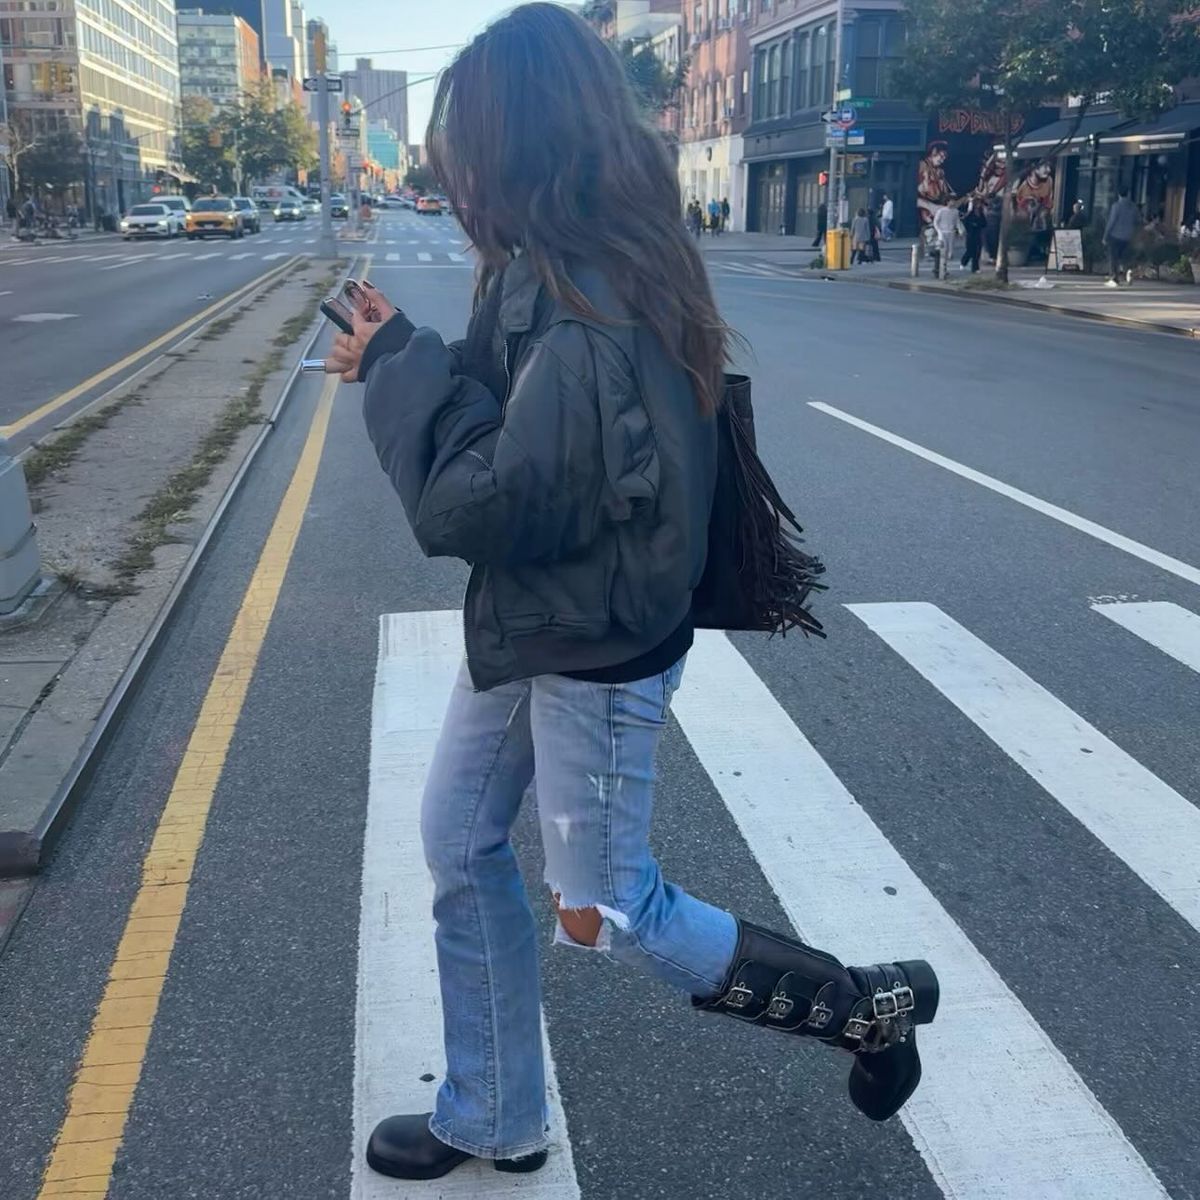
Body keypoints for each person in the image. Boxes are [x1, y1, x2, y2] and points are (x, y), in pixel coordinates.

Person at [323, 3, 938, 1182]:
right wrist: (412, 351)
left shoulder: (588, 299)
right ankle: (493, 1111)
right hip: (555, 612)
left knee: (610, 912)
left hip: (593, 639)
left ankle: (867, 1011)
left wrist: (398, 371)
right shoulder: (550, 269)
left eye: (465, 148)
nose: (453, 175)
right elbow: (519, 434)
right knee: (457, 838)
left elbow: (489, 504)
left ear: (514, 145)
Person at [1104, 186, 1138, 287]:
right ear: (1128, 194)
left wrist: (1105, 236)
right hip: (1128, 236)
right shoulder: (1133, 207)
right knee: (1124, 257)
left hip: (1116, 235)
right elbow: (1137, 220)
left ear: (1119, 194)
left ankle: (1115, 278)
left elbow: (1111, 222)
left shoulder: (1116, 206)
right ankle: (1128, 271)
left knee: (1114, 258)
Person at [932, 201, 961, 274]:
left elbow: (957, 221)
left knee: (949, 251)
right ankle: (940, 268)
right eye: (951, 201)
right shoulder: (941, 211)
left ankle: (944, 267)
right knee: (942, 250)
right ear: (947, 202)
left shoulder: (955, 211)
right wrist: (939, 231)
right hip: (942, 232)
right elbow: (936, 222)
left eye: (953, 201)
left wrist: (960, 230)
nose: (952, 203)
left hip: (951, 232)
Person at [960, 197, 986, 273]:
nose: (979, 205)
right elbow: (965, 222)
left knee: (977, 252)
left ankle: (975, 268)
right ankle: (963, 262)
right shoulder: (970, 213)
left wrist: (979, 224)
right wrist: (972, 225)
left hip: (978, 234)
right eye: (978, 203)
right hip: (971, 234)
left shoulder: (981, 213)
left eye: (980, 204)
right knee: (970, 250)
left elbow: (984, 223)